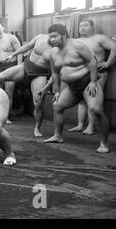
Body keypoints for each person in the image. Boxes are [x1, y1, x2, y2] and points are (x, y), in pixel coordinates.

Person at [44, 24, 110, 153]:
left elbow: (92, 61)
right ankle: (58, 136)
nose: (52, 40)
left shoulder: (77, 45)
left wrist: (92, 81)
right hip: (72, 88)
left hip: (87, 84)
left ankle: (104, 143)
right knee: (57, 106)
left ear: (64, 35)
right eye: (50, 37)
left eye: (55, 36)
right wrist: (57, 91)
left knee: (96, 109)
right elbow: (55, 73)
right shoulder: (53, 53)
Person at [0, 33, 52, 137]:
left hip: (40, 74)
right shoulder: (40, 37)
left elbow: (57, 71)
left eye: (56, 36)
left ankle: (37, 128)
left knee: (38, 103)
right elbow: (27, 46)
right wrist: (13, 54)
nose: (53, 38)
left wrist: (49, 86)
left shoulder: (59, 49)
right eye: (51, 35)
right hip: (25, 67)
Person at [68, 20, 116, 135]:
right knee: (81, 100)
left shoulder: (100, 38)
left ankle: (90, 126)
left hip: (98, 72)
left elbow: (114, 48)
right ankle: (80, 124)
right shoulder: (76, 41)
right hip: (80, 73)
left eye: (86, 25)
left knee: (92, 98)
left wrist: (108, 63)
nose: (82, 28)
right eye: (80, 26)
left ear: (93, 27)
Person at [0, 22, 22, 121]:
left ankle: (5, 116)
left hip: (11, 67)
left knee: (8, 92)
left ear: (3, 27)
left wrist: (19, 67)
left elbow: (19, 51)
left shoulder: (11, 38)